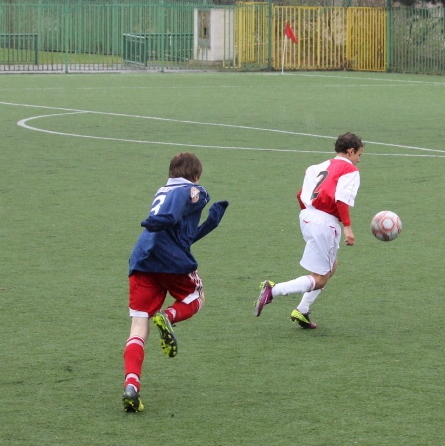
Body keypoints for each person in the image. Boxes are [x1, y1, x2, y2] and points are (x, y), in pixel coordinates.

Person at [122, 152, 229, 413]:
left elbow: (183, 233)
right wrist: (172, 217)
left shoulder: (162, 190)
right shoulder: (195, 190)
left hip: (142, 259)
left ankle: (131, 385)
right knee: (196, 297)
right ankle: (169, 315)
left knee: (138, 326)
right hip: (171, 260)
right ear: (196, 175)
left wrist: (209, 225)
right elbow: (180, 207)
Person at [254, 132, 364, 330]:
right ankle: (273, 290)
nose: (358, 160)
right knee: (320, 279)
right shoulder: (350, 170)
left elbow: (300, 194)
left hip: (307, 216)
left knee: (331, 266)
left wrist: (310, 220)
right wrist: (347, 227)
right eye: (359, 155)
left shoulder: (318, 167)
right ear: (350, 151)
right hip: (324, 221)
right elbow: (341, 199)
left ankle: (302, 310)